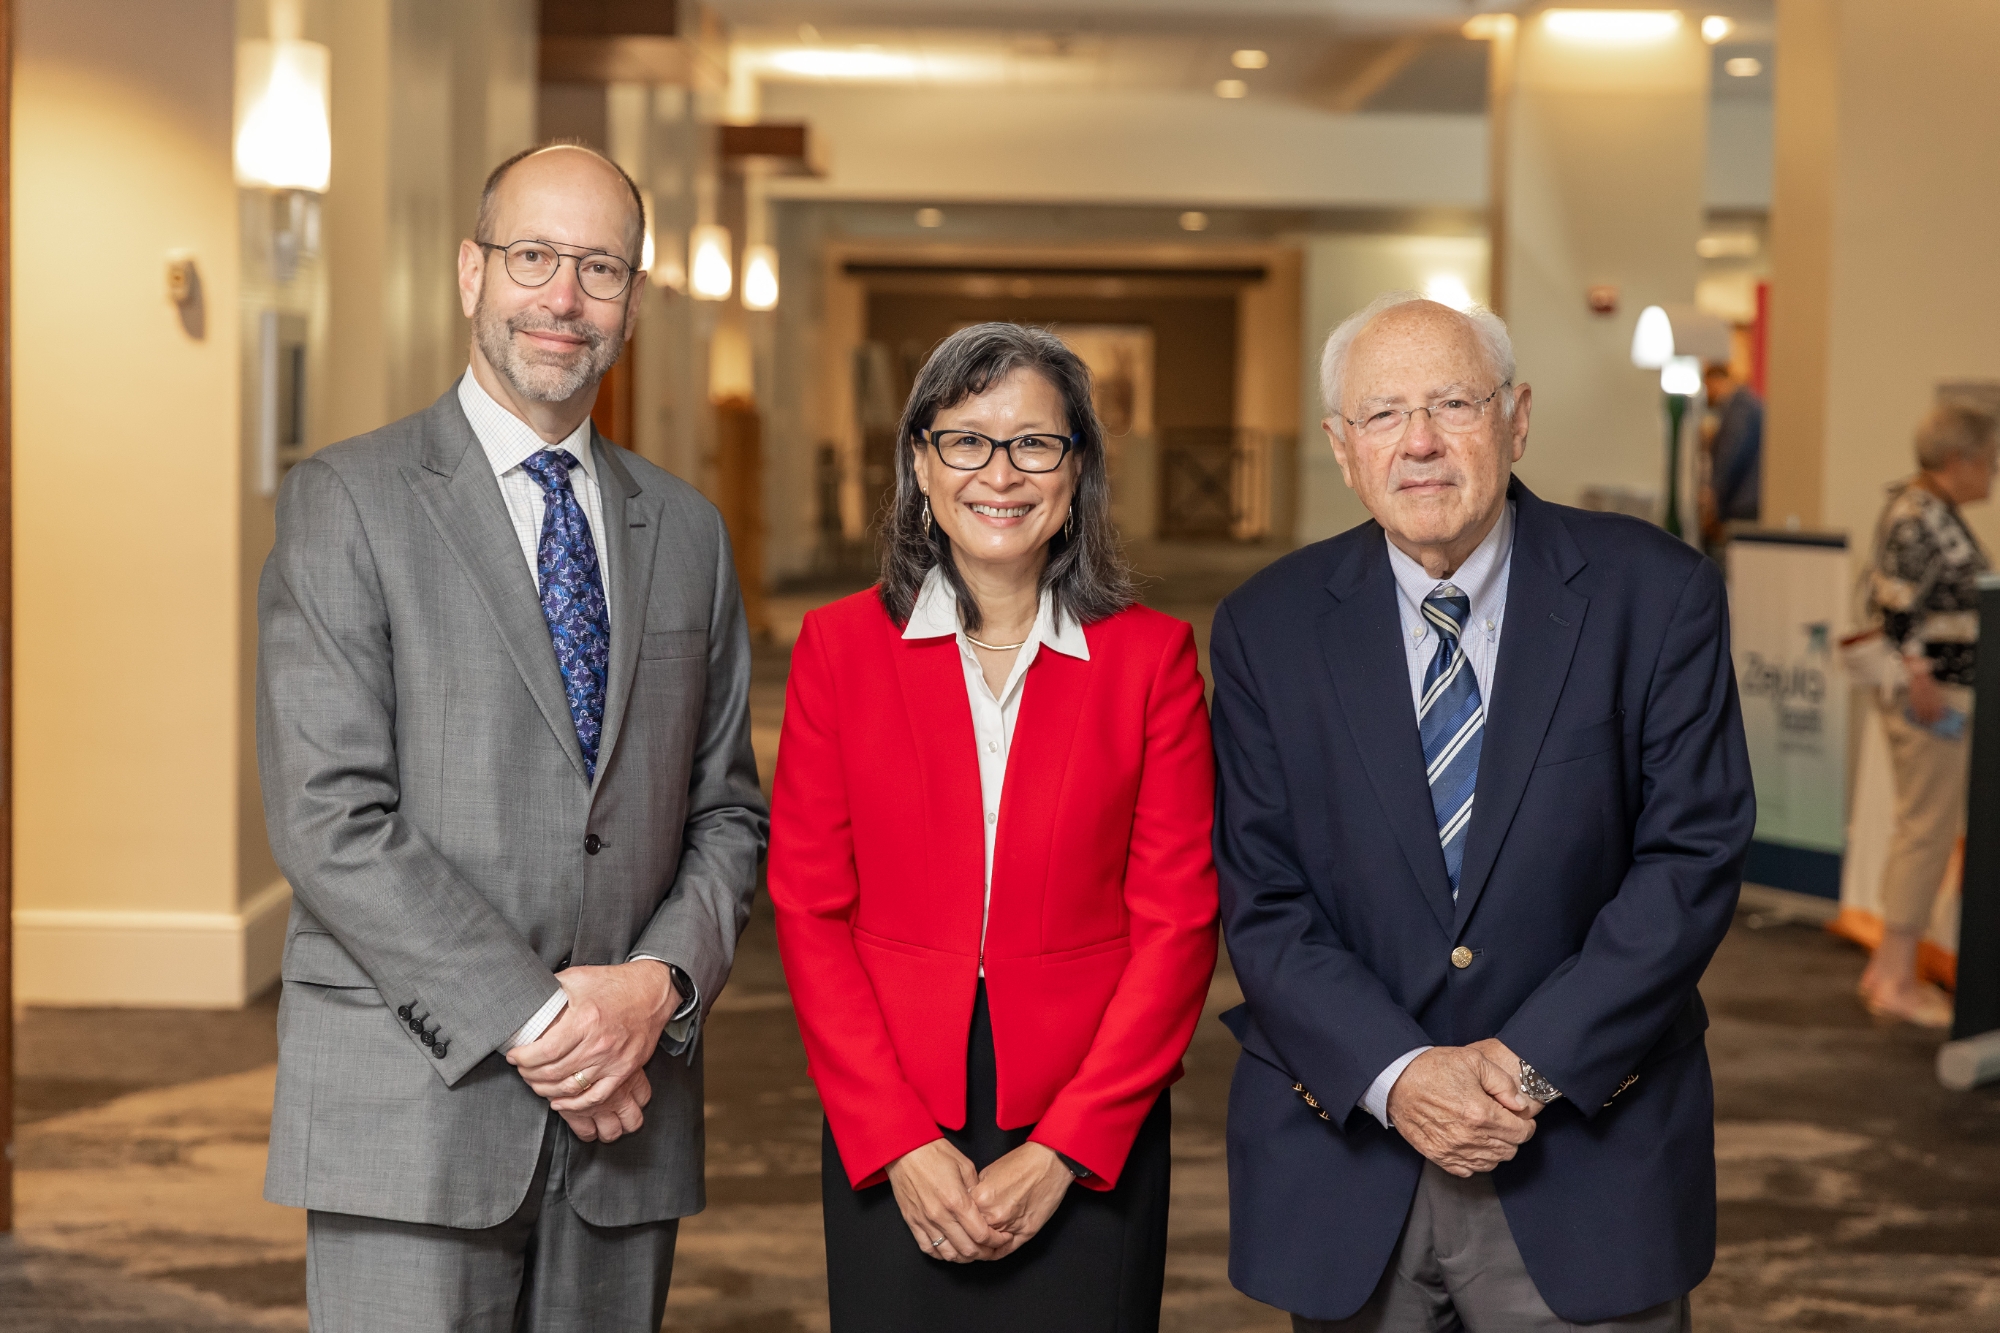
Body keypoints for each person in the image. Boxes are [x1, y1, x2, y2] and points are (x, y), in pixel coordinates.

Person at [256, 144, 767, 1330]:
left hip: (629, 1118)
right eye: (534, 256)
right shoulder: (349, 500)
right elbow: (331, 819)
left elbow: (727, 809)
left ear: (633, 302)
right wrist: (544, 1025)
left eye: (599, 267)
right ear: (470, 273)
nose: (563, 298)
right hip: (414, 1107)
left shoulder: (685, 530)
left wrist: (653, 988)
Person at [1211, 292, 1754, 1330]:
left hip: (1587, 1153)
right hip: (1350, 1155)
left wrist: (1521, 1066)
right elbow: (1260, 892)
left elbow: (1690, 857)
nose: (1417, 442)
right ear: (1340, 445)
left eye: (1451, 402)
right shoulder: (1265, 627)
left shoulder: (1654, 594)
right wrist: (1399, 1072)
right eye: (1380, 415)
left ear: (1516, 417)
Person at [769, 322, 1219, 1332]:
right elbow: (807, 905)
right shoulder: (839, 648)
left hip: (1085, 1118)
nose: (998, 472)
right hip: (890, 1114)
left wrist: (1066, 1145)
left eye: (1032, 443)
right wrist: (892, 1137)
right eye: (965, 439)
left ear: (1076, 471)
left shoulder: (1151, 660)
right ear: (919, 464)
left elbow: (1177, 923)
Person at [1858, 403, 1995, 1027]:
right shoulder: (1919, 514)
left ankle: (1889, 968)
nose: (1992, 474)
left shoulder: (1929, 510)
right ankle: (1895, 978)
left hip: (1938, 688)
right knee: (1927, 832)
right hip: (1933, 695)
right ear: (1958, 460)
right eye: (1988, 460)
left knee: (1924, 829)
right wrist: (1921, 678)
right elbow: (1896, 604)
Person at [1700, 363, 1763, 550]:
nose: (1708, 394)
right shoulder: (1746, 405)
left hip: (1743, 503)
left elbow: (1732, 453)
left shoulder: (1741, 408)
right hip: (1746, 502)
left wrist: (1713, 492)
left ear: (1717, 381)